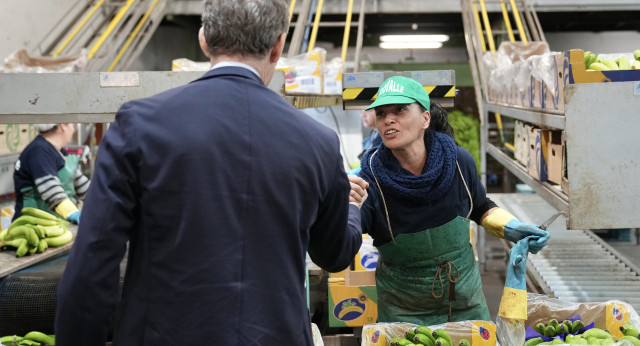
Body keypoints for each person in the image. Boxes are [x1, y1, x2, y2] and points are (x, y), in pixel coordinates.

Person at [55, 1, 365, 345]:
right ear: (278, 47)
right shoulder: (318, 142)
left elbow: (93, 261)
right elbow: (335, 254)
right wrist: (352, 208)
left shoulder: (140, 125)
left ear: (204, 39)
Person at [347, 76, 550, 325]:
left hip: (465, 303)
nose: (389, 119)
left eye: (400, 110)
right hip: (403, 310)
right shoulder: (371, 178)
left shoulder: (457, 161)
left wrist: (513, 228)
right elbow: (349, 236)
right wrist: (345, 206)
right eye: (381, 113)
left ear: (425, 119)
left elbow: (480, 207)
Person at [12, 123, 89, 224]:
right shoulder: (39, 151)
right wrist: (74, 213)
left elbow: (81, 184)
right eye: (71, 124)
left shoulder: (58, 151)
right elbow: (52, 192)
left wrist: (103, 200)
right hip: (32, 226)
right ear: (63, 126)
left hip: (53, 223)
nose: (73, 128)